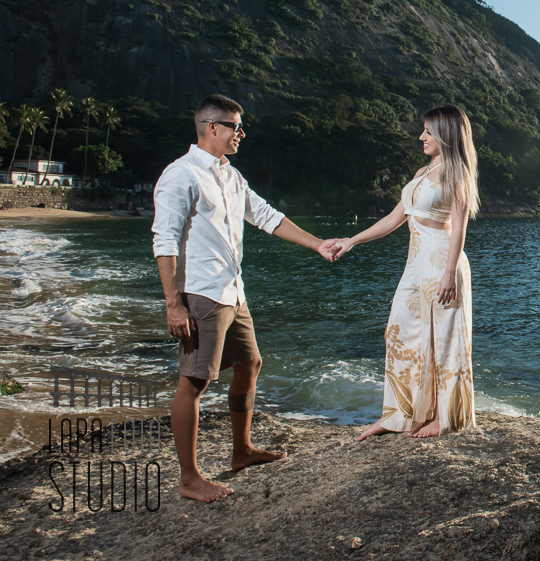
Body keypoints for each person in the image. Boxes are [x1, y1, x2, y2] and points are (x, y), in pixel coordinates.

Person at [152, 94, 334, 503]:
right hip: (200, 293)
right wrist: (173, 303)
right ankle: (189, 478)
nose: (241, 133)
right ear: (211, 127)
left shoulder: (230, 176)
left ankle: (241, 451)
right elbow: (163, 241)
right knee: (194, 382)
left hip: (233, 291)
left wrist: (317, 244)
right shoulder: (180, 176)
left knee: (250, 363)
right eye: (235, 126)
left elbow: (266, 216)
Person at [323, 104, 479, 440]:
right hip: (415, 267)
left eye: (428, 131)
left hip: (443, 265)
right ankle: (398, 415)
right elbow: (395, 219)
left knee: (444, 342)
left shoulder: (457, 173)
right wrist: (352, 241)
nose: (421, 136)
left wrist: (449, 273)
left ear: (446, 135)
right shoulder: (422, 172)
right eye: (422, 130)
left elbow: (459, 229)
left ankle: (444, 418)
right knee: (397, 334)